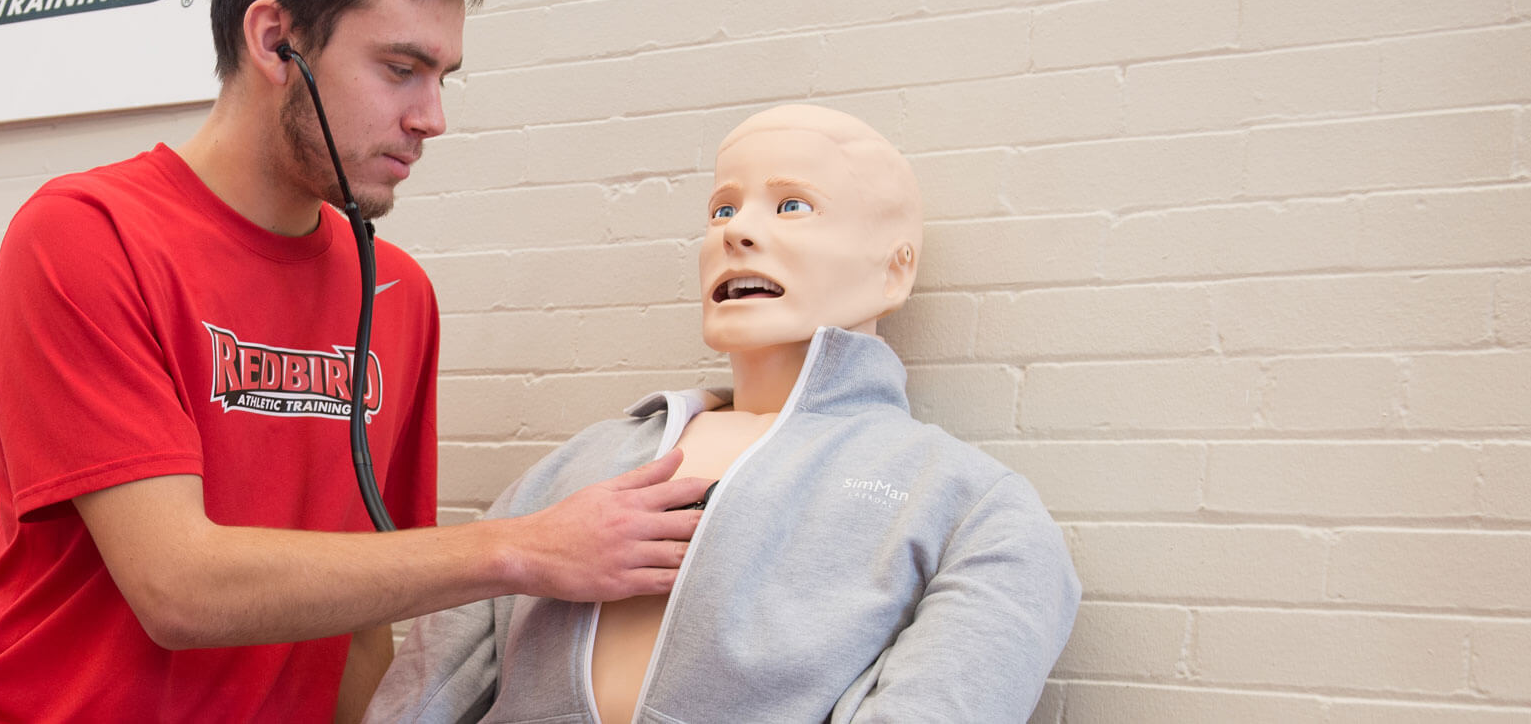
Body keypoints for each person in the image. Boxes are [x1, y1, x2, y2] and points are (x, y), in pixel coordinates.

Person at [0, 0, 714, 721]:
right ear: (274, 40)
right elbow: (179, 588)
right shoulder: (86, 235)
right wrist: (522, 548)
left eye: (444, 76)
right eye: (401, 69)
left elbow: (366, 614)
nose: (432, 116)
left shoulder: (399, 292)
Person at [367, 105, 1082, 723]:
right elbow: (422, 690)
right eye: (723, 208)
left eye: (793, 206)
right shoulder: (568, 472)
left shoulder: (971, 508)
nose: (738, 233)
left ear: (894, 268)